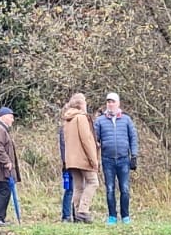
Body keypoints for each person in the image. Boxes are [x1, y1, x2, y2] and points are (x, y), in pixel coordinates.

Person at [94, 92, 139, 225]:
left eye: (113, 101)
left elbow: (133, 138)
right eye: (108, 102)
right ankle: (112, 216)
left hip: (123, 159)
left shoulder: (126, 120)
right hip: (107, 160)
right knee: (109, 189)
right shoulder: (100, 121)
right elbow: (94, 140)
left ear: (118, 103)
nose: (110, 104)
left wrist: (134, 155)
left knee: (124, 188)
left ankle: (125, 216)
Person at [61, 93, 100, 223]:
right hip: (83, 158)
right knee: (93, 182)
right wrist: (93, 160)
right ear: (81, 104)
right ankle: (83, 210)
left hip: (71, 160)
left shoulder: (67, 119)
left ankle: (76, 213)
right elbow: (86, 140)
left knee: (78, 186)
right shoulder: (81, 118)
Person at [57, 116, 73, 223]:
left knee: (75, 190)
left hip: (74, 163)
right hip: (69, 165)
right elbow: (64, 148)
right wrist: (67, 162)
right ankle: (66, 216)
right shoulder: (65, 129)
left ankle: (73, 215)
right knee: (70, 190)